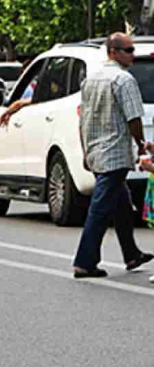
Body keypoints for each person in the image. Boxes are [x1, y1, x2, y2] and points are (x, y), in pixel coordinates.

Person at [73, 32, 154, 278]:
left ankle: (131, 254)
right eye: (128, 51)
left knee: (121, 203)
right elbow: (133, 118)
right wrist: (141, 144)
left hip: (97, 151)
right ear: (113, 51)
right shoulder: (123, 79)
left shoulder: (92, 79)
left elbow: (83, 119)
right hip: (115, 154)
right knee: (100, 209)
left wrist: (86, 150)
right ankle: (84, 262)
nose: (133, 55)